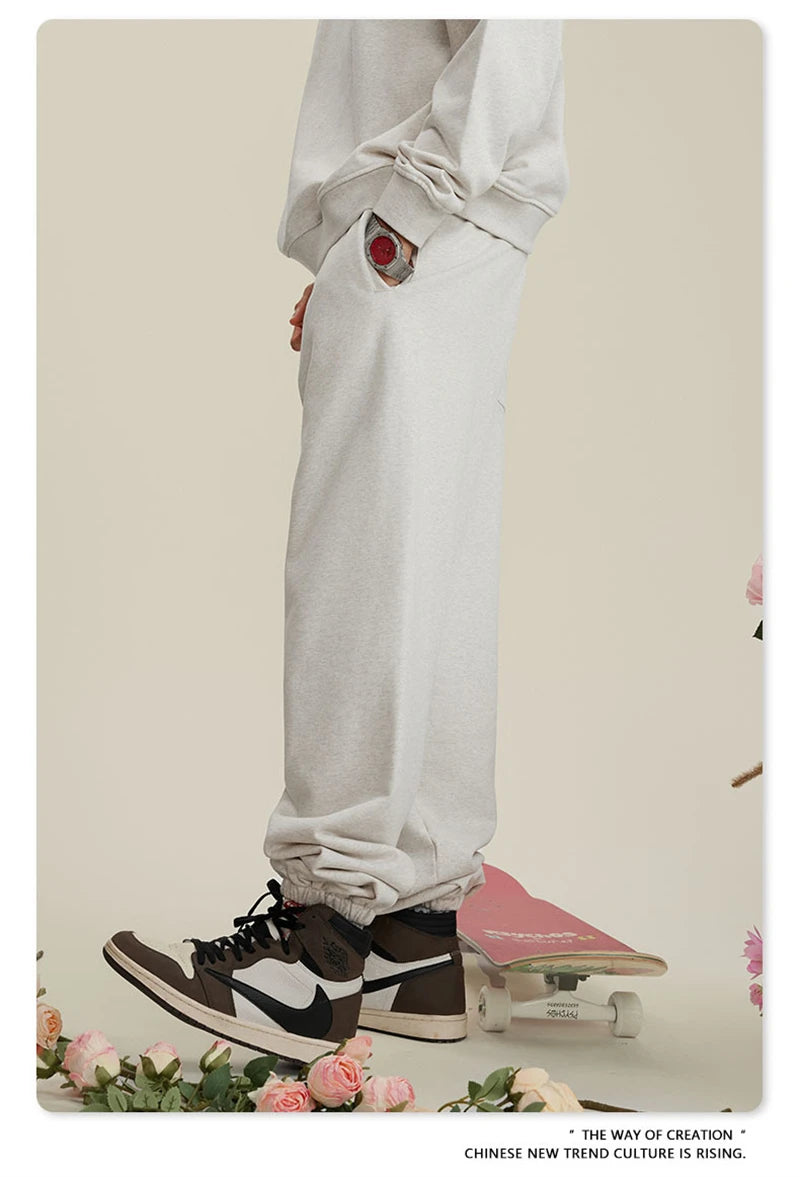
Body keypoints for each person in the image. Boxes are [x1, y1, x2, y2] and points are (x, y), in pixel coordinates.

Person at [104, 18, 568, 1064]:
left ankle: (314, 950)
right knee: (430, 572)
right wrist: (388, 239)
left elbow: (507, 35)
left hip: (424, 219)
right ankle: (411, 932)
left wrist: (393, 228)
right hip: (457, 227)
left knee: (358, 569)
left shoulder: (410, 224)